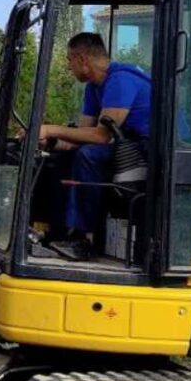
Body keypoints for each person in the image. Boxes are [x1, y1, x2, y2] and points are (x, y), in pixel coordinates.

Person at [39, 33, 151, 260]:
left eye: (69, 60)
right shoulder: (94, 87)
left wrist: (50, 129)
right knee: (60, 157)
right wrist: (48, 141)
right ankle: (56, 231)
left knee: (89, 155)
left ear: (82, 59)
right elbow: (82, 135)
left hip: (149, 150)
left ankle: (84, 237)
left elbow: (100, 137)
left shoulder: (121, 80)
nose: (68, 67)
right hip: (124, 145)